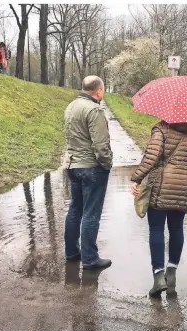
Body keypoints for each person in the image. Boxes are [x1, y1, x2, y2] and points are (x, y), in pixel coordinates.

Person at [131, 121, 187, 297]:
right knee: (176, 228)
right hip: (183, 187)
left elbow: (150, 158)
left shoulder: (160, 131)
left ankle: (158, 277)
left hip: (161, 186)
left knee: (156, 229)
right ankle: (172, 271)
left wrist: (137, 178)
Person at [63, 75, 113, 270]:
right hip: (91, 168)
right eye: (104, 90)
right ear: (98, 90)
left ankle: (71, 252)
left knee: (75, 209)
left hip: (73, 166)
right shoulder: (94, 110)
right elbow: (101, 145)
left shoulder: (71, 107)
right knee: (91, 213)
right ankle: (90, 259)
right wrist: (107, 164)